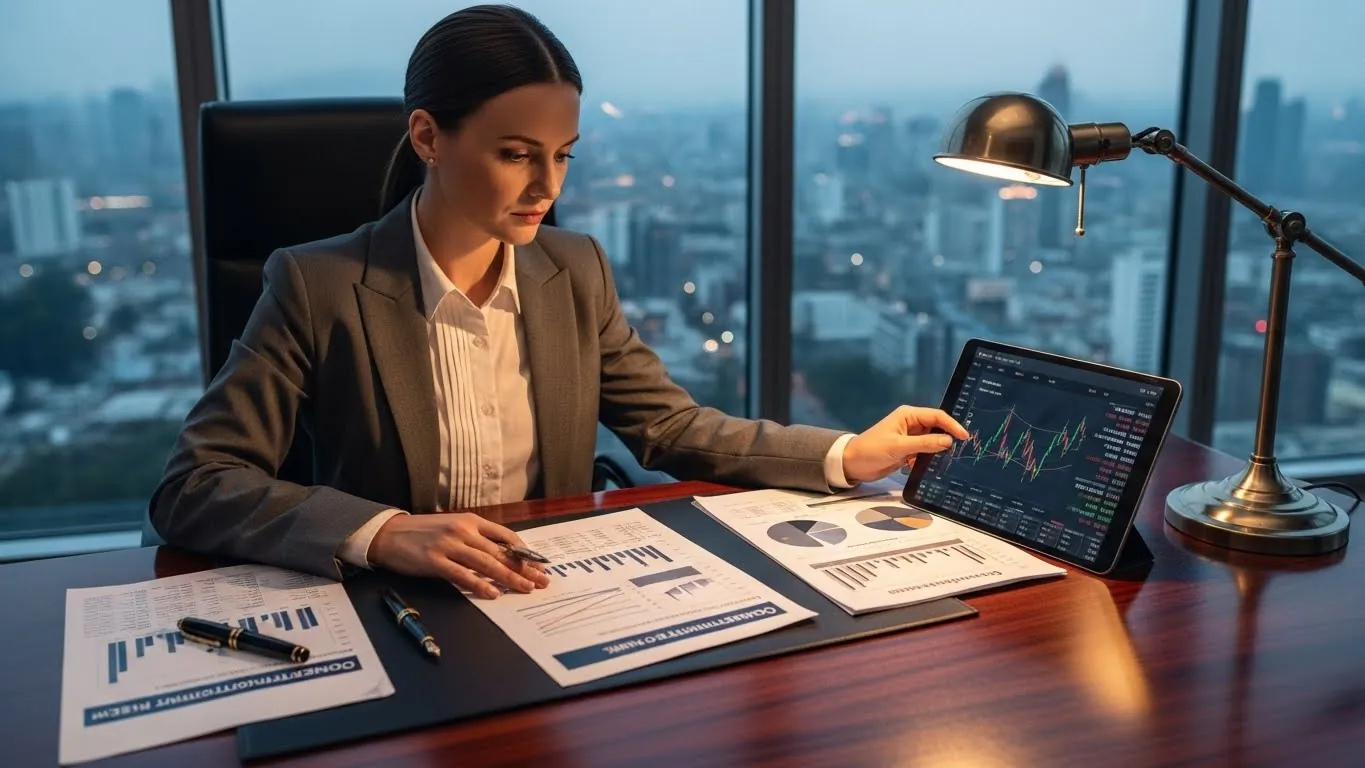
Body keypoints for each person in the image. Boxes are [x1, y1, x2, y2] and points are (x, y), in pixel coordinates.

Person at [149, 4, 968, 598]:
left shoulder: (573, 270)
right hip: (395, 606)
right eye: (515, 155)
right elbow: (194, 484)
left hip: (550, 593)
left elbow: (670, 427)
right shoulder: (317, 282)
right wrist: (385, 531)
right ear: (429, 137)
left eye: (564, 156)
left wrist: (843, 456)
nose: (548, 187)